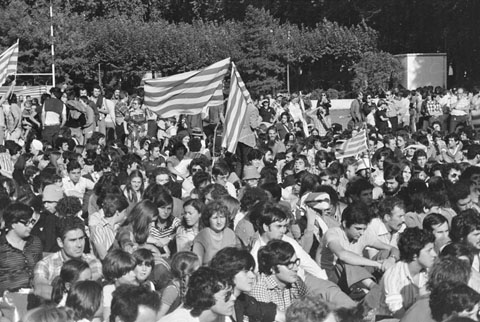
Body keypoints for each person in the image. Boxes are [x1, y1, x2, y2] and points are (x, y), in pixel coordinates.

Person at [33, 216, 103, 300]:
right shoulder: (46, 264)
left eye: (81, 238)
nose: (79, 245)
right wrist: (67, 299)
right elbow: (40, 288)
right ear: (60, 242)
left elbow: (94, 284)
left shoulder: (92, 261)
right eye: (73, 240)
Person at [211, 247, 284, 322]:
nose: (252, 276)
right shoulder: (216, 305)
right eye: (246, 271)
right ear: (229, 272)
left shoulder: (243, 300)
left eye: (252, 270)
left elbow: (272, 313)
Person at [378, 227, 437, 318]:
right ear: (414, 255)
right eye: (429, 250)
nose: (434, 254)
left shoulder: (429, 271)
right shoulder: (393, 276)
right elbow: (397, 312)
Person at [158, 266, 235, 322]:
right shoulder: (180, 320)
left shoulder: (223, 318)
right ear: (206, 295)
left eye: (231, 293)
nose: (233, 298)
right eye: (226, 295)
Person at [250, 239, 307, 311]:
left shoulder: (296, 281)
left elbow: (307, 311)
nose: (296, 268)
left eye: (296, 262)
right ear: (272, 268)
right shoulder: (260, 289)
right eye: (289, 264)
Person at [0, 203, 43, 294]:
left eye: (31, 222)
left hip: (34, 296)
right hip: (8, 301)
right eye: (26, 223)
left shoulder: (35, 242)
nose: (31, 226)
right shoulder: (1, 246)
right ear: (13, 224)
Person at [192, 200, 240, 265]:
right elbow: (197, 264)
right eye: (215, 218)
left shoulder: (230, 233)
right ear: (208, 219)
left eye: (222, 217)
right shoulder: (202, 236)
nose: (219, 221)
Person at [158, 251, 200, 318]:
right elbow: (158, 317)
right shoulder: (172, 290)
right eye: (198, 270)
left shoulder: (190, 287)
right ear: (189, 273)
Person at [101, 249, 138, 322]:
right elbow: (107, 318)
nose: (134, 274)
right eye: (128, 272)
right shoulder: (108, 291)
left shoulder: (141, 289)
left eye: (133, 270)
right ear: (114, 276)